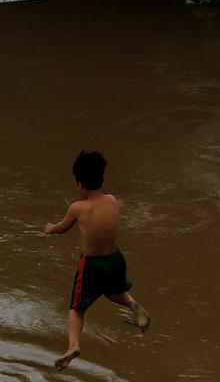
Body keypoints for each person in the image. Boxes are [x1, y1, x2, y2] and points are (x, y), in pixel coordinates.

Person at [42, 150, 151, 370]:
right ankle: (133, 304)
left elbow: (63, 229)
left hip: (92, 264)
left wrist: (50, 229)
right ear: (102, 178)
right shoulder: (112, 200)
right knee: (112, 292)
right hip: (115, 259)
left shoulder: (78, 208)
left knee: (76, 308)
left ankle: (73, 346)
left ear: (79, 184)